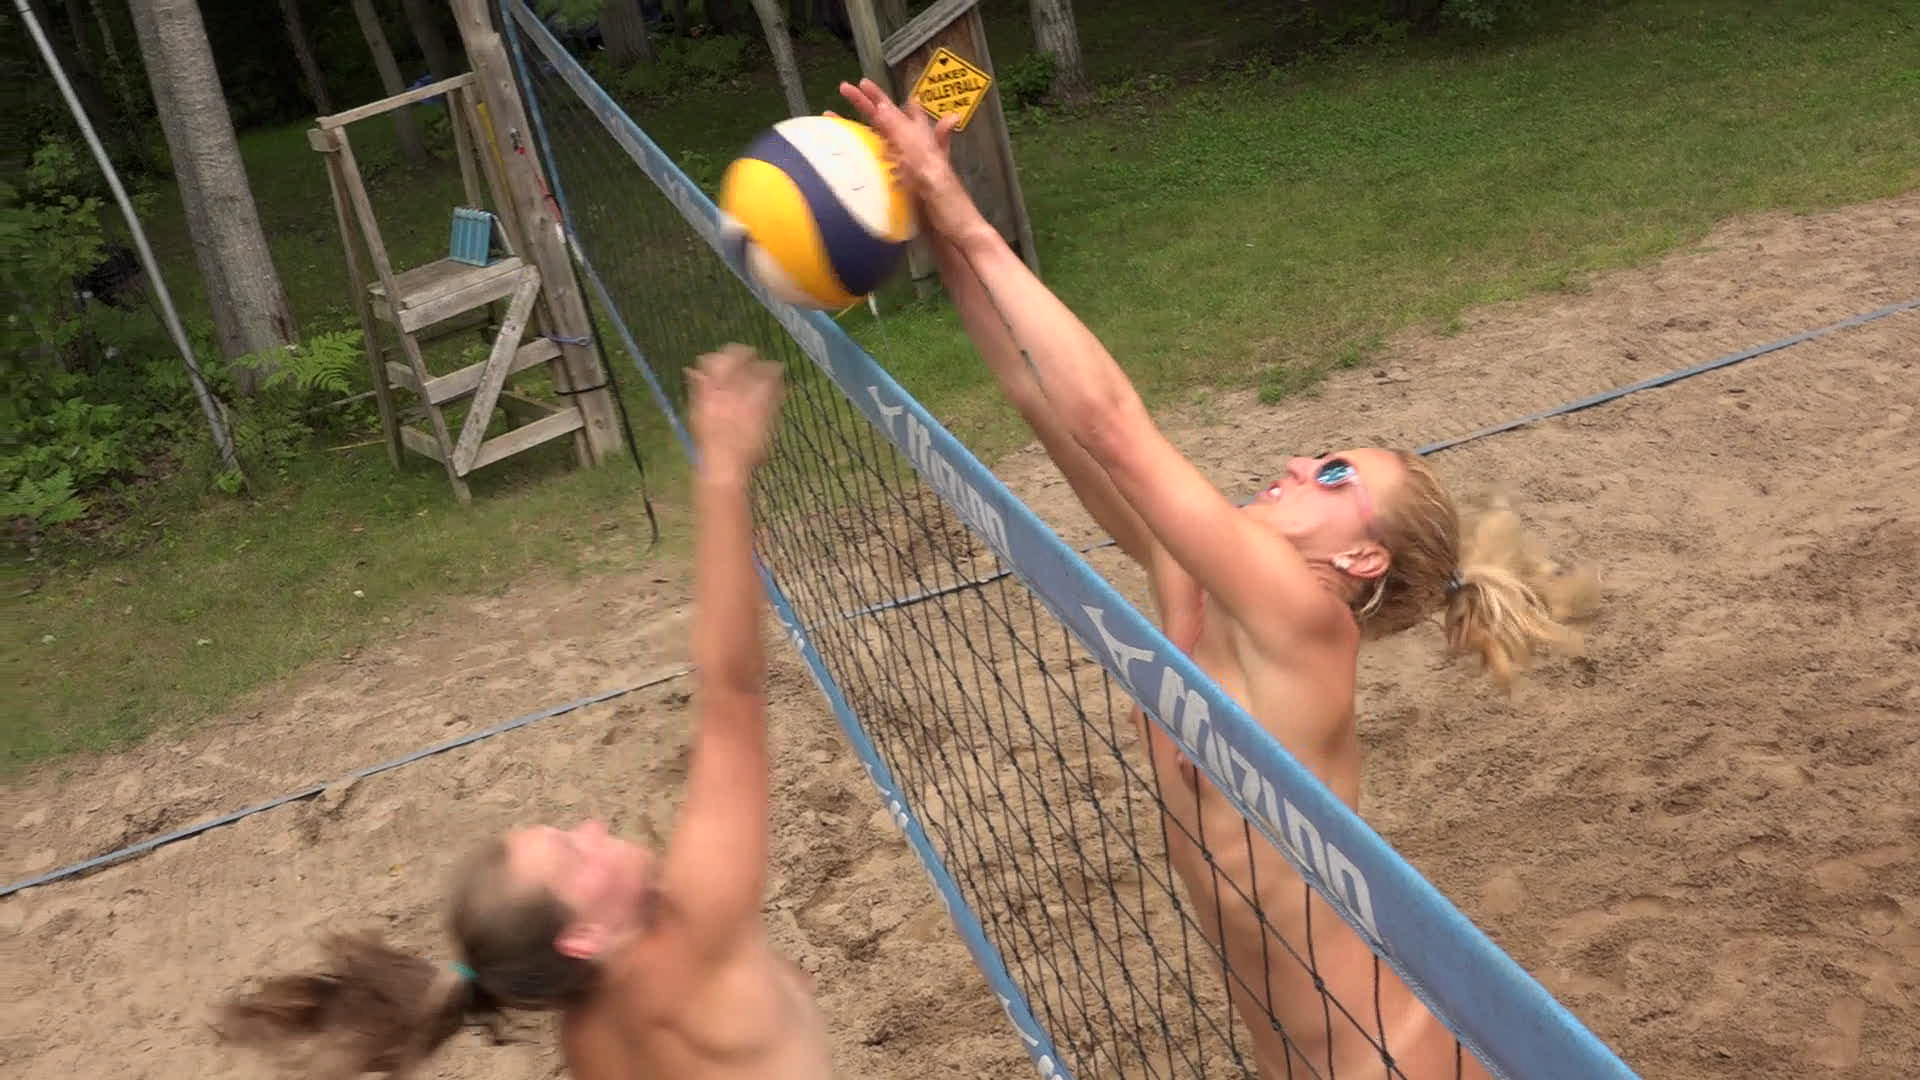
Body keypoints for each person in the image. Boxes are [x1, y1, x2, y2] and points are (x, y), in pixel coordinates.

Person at [838, 79, 1597, 1080]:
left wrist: (967, 214)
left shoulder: (1310, 624)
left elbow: (1117, 425)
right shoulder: (1187, 587)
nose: (1299, 464)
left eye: (1335, 477)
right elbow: (1037, 392)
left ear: (1359, 562)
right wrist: (938, 224)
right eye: (1317, 454)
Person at [215, 346, 834, 1080]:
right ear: (585, 938)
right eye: (576, 855)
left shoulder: (587, 1039)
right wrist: (724, 469)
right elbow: (731, 691)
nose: (594, 829)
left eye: (568, 834)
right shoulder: (695, 939)